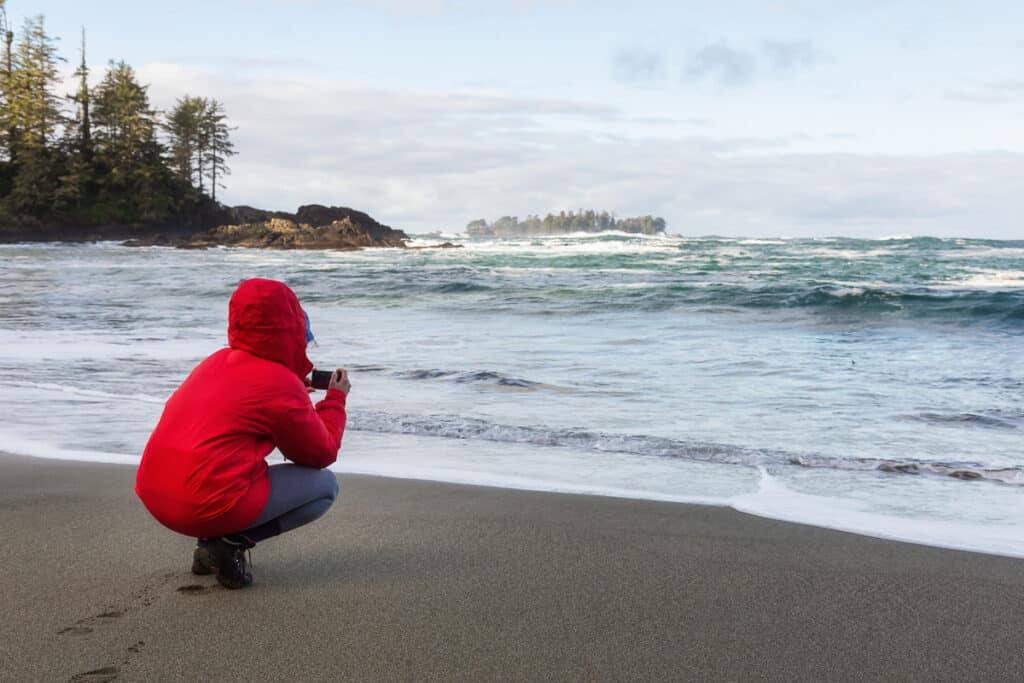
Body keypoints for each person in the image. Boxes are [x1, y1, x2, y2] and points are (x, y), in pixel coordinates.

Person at [136, 278, 350, 589]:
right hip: (205, 506)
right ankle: (231, 543)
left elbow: (241, 405)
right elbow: (321, 453)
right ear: (293, 328)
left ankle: (210, 541)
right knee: (325, 487)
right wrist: (335, 399)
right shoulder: (279, 384)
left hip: (155, 495)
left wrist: (292, 391)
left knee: (225, 468)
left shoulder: (215, 361)